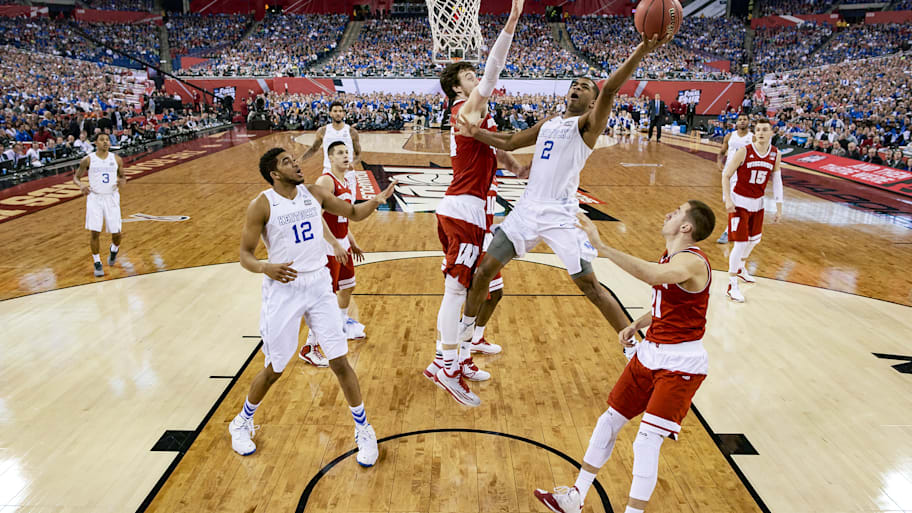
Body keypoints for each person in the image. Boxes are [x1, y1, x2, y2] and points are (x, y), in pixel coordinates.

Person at [453, 33, 670, 367]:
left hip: (561, 215)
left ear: (593, 101)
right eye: (574, 83)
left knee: (590, 286)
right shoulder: (550, 122)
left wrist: (642, 48)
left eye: (585, 86)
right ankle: (465, 340)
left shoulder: (587, 126)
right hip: (527, 211)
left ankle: (633, 348)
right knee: (483, 272)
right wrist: (475, 132)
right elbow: (510, 142)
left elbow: (610, 89)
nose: (577, 87)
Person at [533, 200, 716, 513]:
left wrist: (601, 246)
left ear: (687, 227)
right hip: (649, 354)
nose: (669, 211)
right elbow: (671, 304)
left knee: (645, 442)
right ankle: (575, 496)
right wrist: (637, 323)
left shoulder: (692, 262)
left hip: (679, 365)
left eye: (678, 211)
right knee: (608, 422)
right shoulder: (670, 255)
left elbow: (654, 277)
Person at [229, 147, 395, 464]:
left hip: (318, 283)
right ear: (275, 173)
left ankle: (364, 429)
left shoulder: (313, 192)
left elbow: (354, 213)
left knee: (339, 360)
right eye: (287, 162)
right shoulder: (262, 204)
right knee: (275, 367)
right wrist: (266, 267)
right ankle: (241, 422)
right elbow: (245, 255)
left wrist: (377, 199)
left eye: (295, 159)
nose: (296, 164)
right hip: (284, 288)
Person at [424, 0, 528, 408]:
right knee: (456, 292)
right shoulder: (467, 107)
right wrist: (513, 20)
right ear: (457, 88)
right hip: (464, 208)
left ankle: (454, 357)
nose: (478, 79)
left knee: (472, 289)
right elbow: (493, 72)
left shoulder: (478, 117)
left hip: (471, 209)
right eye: (469, 76)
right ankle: (446, 366)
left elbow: (499, 154)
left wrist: (518, 167)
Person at [298, 100, 366, 344]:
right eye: (341, 153)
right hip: (329, 244)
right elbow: (315, 216)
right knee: (325, 294)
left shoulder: (348, 179)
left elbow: (344, 217)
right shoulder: (325, 182)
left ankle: (340, 323)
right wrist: (336, 244)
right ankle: (312, 344)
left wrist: (350, 240)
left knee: (348, 285)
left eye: (346, 152)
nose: (346, 155)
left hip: (341, 240)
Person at [721, 118, 783, 302]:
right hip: (739, 203)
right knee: (740, 243)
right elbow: (726, 175)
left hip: (759, 203)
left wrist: (779, 207)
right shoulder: (744, 151)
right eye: (758, 129)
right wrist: (728, 199)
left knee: (755, 240)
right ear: (754, 133)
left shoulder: (775, 154)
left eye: (765, 129)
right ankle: (732, 285)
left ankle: (740, 268)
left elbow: (777, 181)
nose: (761, 132)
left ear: (771, 132)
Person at [73, 134, 125, 277]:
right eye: (102, 140)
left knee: (117, 232)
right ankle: (97, 262)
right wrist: (81, 185)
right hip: (95, 197)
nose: (105, 142)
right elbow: (76, 177)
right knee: (95, 231)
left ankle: (114, 250)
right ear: (96, 142)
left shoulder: (116, 159)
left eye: (107, 140)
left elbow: (123, 176)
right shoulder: (88, 159)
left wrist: (122, 181)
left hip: (112, 197)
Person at [715, 114, 753, 244]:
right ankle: (741, 227)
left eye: (745, 119)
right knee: (727, 200)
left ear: (749, 122)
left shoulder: (752, 138)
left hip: (742, 173)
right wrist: (719, 161)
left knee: (734, 202)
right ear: (736, 122)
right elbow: (722, 151)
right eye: (740, 119)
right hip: (728, 172)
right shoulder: (730, 136)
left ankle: (728, 231)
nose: (742, 121)